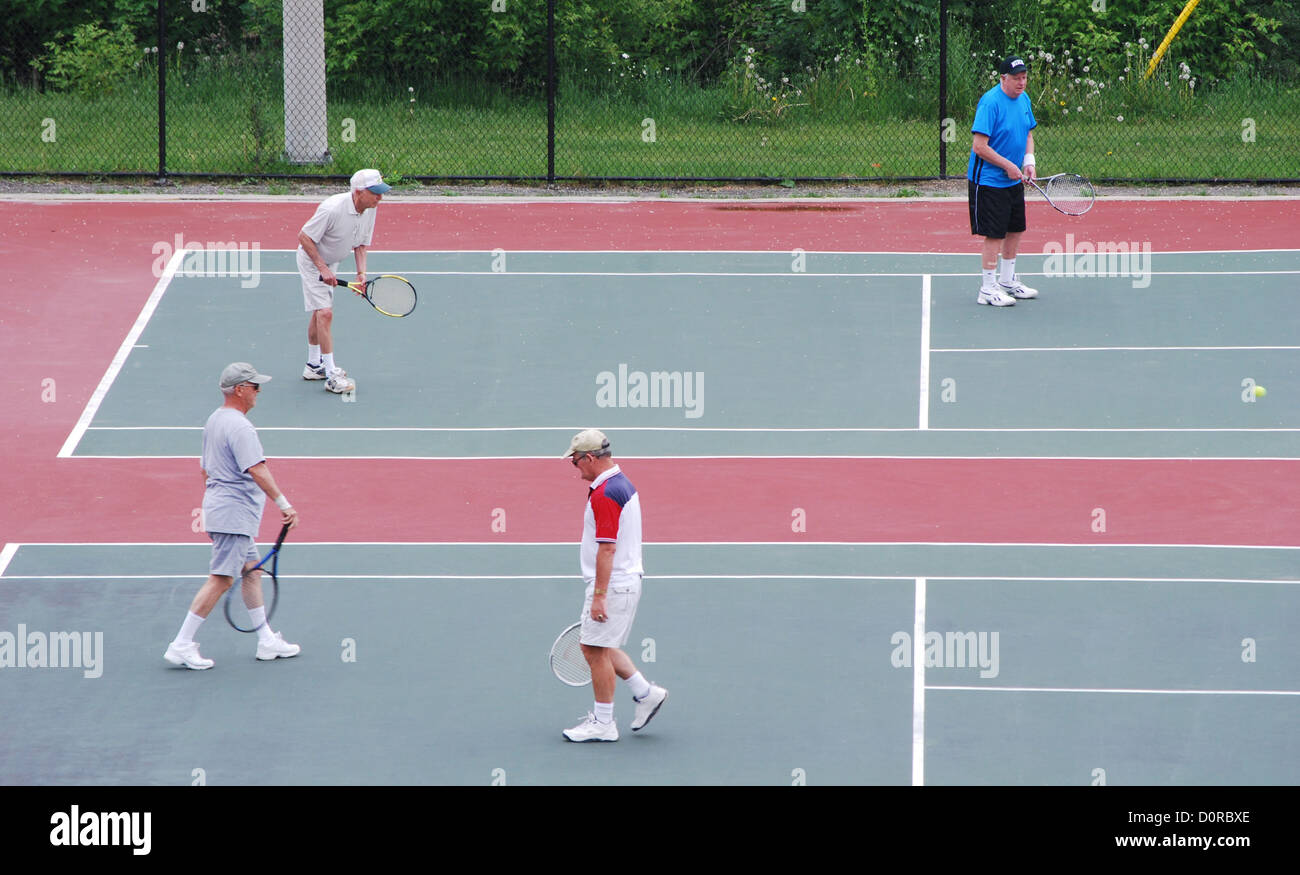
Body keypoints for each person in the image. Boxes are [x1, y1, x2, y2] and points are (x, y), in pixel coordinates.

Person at [164, 363, 301, 669]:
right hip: (233, 515)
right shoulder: (240, 427)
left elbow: (204, 468)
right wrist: (284, 504)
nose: (259, 391)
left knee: (251, 571)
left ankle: (266, 641)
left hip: (226, 510)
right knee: (222, 579)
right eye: (254, 386)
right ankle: (181, 644)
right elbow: (257, 468)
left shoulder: (214, 420)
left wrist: (215, 499)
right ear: (240, 390)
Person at [560, 429, 667, 742]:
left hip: (615, 585)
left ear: (590, 458)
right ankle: (646, 694)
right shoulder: (620, 483)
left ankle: (604, 723)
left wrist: (599, 596)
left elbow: (607, 549)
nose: (574, 467)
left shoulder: (606, 494)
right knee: (600, 647)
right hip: (624, 581)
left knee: (593, 650)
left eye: (575, 461)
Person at [296, 168, 391, 393]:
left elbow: (361, 245)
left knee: (319, 313)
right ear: (358, 192)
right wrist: (322, 267)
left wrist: (361, 276)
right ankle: (331, 375)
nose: (380, 197)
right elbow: (304, 237)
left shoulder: (369, 208)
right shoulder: (332, 209)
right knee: (325, 313)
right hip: (313, 261)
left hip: (330, 262)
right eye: (375, 192)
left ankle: (313, 366)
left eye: (381, 192)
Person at [968, 55, 1039, 307]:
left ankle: (1007, 281)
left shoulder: (1024, 99)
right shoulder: (990, 103)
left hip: (1013, 181)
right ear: (1003, 79)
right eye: (1016, 78)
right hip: (988, 181)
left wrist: (1028, 161)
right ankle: (987, 288)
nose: (1022, 83)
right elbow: (979, 147)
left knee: (1015, 229)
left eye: (1024, 78)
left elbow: (1028, 133)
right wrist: (1009, 166)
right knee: (994, 234)